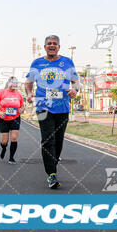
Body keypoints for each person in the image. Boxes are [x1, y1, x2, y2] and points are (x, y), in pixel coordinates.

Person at [25, 35, 79, 189]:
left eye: (55, 44)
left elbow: (76, 81)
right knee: (48, 139)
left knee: (58, 140)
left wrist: (75, 89)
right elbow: (28, 82)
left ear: (59, 47)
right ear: (45, 46)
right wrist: (29, 94)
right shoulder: (37, 63)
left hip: (62, 107)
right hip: (43, 107)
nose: (52, 46)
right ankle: (52, 174)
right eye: (49, 43)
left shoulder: (67, 62)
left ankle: (52, 163)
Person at [0, 77, 25, 164]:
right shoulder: (1, 92)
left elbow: (22, 106)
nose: (14, 85)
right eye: (12, 83)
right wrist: (0, 112)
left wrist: (21, 110)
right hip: (3, 118)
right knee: (4, 141)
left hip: (15, 118)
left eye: (15, 83)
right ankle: (4, 148)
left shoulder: (18, 94)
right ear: (8, 83)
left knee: (14, 138)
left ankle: (11, 158)